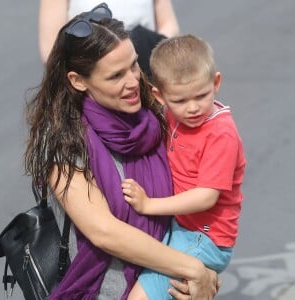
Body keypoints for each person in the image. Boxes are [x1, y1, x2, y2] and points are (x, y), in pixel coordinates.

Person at [25, 5, 218, 300]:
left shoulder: (154, 115)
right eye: (115, 76)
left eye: (133, 65)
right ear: (78, 81)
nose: (132, 82)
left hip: (167, 285)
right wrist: (192, 268)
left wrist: (205, 261)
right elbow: (104, 231)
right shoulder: (64, 140)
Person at [122, 34, 246, 299]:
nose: (192, 108)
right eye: (179, 101)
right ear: (160, 96)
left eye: (201, 95)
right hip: (181, 227)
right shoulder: (169, 115)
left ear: (216, 82)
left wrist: (148, 205)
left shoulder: (220, 133)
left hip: (205, 238)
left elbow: (206, 197)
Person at [38, 0, 180, 77]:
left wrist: (146, 50)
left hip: (146, 68)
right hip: (95, 76)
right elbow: (51, 49)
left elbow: (169, 25)